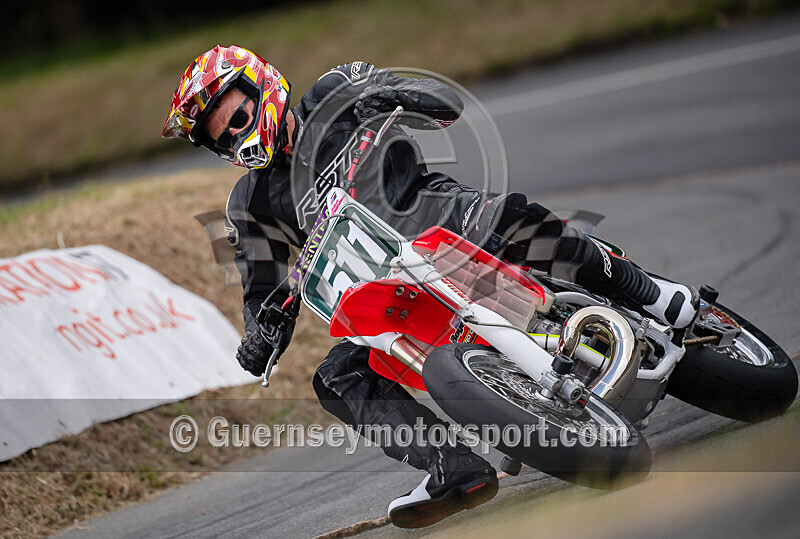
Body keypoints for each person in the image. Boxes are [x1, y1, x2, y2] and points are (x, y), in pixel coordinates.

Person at [163, 45, 698, 528]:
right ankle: (452, 466)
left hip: (446, 220)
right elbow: (259, 287)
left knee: (515, 216)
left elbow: (444, 104)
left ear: (261, 87)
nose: (235, 135)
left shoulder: (333, 91)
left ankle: (650, 292)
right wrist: (259, 335)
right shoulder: (248, 203)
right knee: (338, 377)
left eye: (236, 117)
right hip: (387, 287)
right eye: (221, 137)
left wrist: (393, 93)